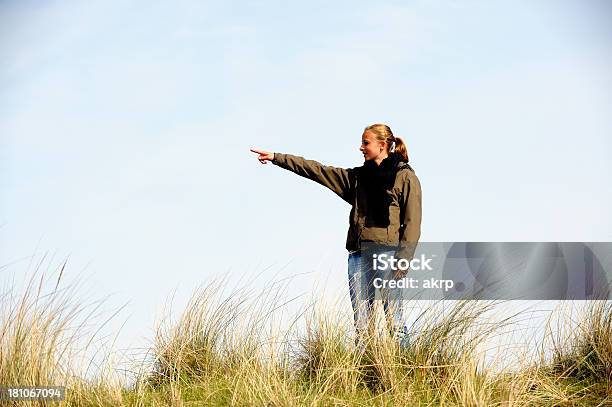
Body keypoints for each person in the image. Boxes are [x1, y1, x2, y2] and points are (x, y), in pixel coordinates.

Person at [250, 123, 422, 345]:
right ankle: (363, 375)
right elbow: (316, 170)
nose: (361, 147)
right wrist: (276, 157)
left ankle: (403, 371)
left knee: (395, 322)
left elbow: (412, 223)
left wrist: (403, 260)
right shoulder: (357, 178)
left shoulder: (405, 177)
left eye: (365, 143)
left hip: (387, 254)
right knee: (362, 326)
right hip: (359, 256)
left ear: (382, 145)